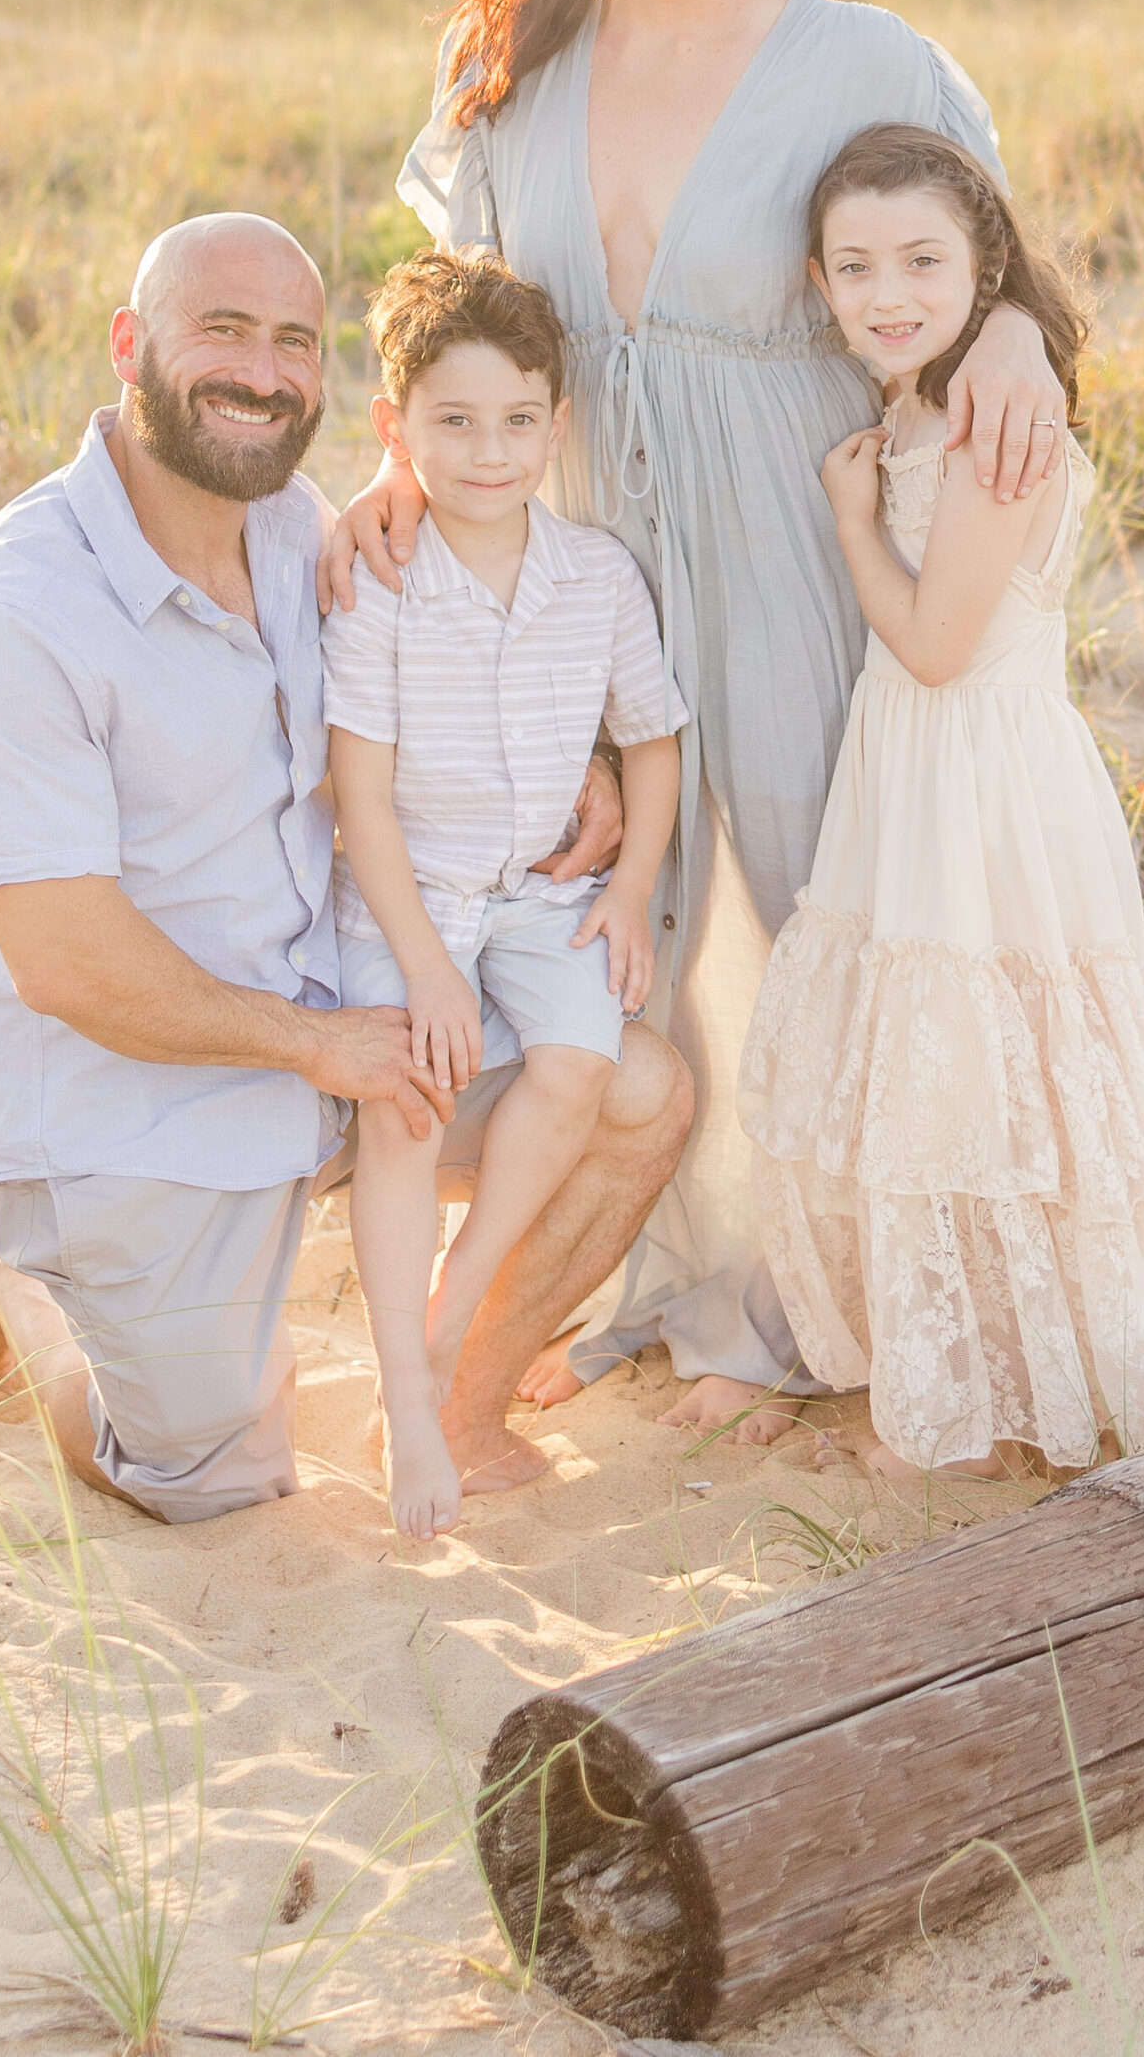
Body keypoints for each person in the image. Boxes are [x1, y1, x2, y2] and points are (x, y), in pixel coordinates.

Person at [323, 0, 1069, 1439]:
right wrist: (393, 468)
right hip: (587, 551)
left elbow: (976, 254)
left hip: (798, 536)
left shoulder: (861, 55)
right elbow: (478, 331)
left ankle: (857, 1300)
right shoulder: (515, 73)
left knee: (818, 904)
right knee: (633, 920)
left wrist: (1020, 343)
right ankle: (695, 1285)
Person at [0, 212, 692, 1523]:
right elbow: (64, 964)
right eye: (220, 330)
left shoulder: (303, 531)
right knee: (211, 1473)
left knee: (637, 1091)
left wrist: (583, 774)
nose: (261, 372)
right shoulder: (6, 624)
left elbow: (451, 665)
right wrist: (316, 1049)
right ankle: (10, 1271)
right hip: (153, 1101)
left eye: (291, 342)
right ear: (126, 346)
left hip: (354, 1013)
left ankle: (446, 1399)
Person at [739, 126, 1144, 1476]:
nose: (885, 292)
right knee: (946, 1075)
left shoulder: (984, 425)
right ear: (816, 282)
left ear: (986, 270)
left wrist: (849, 521)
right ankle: (964, 1378)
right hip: (914, 775)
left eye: (921, 259)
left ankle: (1044, 1388)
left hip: (981, 786)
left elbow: (934, 644)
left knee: (1007, 1076)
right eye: (854, 267)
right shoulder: (921, 399)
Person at [324, 250, 685, 1537]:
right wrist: (422, 965)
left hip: (537, 897)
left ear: (558, 422)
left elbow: (652, 739)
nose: (490, 452)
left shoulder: (592, 576)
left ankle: (440, 1322)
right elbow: (361, 800)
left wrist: (633, 882)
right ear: (395, 430)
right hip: (406, 897)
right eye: (455, 422)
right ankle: (409, 1404)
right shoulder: (378, 584)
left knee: (583, 1058)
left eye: (519, 421)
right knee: (412, 1094)